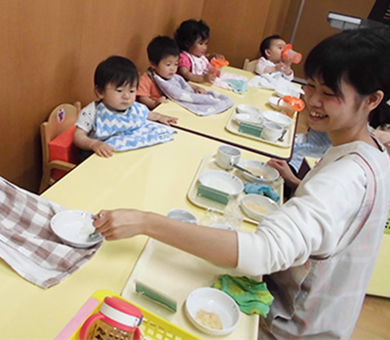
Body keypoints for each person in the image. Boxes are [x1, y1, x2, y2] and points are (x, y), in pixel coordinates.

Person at [92, 27, 390, 339]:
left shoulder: (345, 179)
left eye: (329, 93)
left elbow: (262, 251)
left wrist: (145, 222)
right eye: (311, 85)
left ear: (372, 100)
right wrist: (296, 182)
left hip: (290, 327)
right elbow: (338, 218)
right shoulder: (372, 151)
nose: (312, 100)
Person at [74, 56, 177, 158]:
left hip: (126, 154)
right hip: (101, 155)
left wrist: (160, 117)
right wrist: (93, 144)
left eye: (131, 91)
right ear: (100, 92)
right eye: (119, 91)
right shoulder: (92, 112)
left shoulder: (134, 108)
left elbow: (147, 114)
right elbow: (78, 136)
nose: (127, 96)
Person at [137, 36, 206, 110]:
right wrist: (154, 104)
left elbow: (182, 83)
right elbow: (143, 98)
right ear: (153, 64)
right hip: (159, 111)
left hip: (173, 107)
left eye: (176, 64)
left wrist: (195, 88)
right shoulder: (147, 79)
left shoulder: (172, 76)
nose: (173, 68)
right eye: (168, 65)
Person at [174, 19, 223, 84]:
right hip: (190, 86)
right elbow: (186, 74)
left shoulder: (198, 54)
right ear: (187, 43)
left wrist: (213, 56)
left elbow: (206, 58)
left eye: (206, 43)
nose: (204, 47)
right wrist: (202, 78)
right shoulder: (184, 58)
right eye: (201, 43)